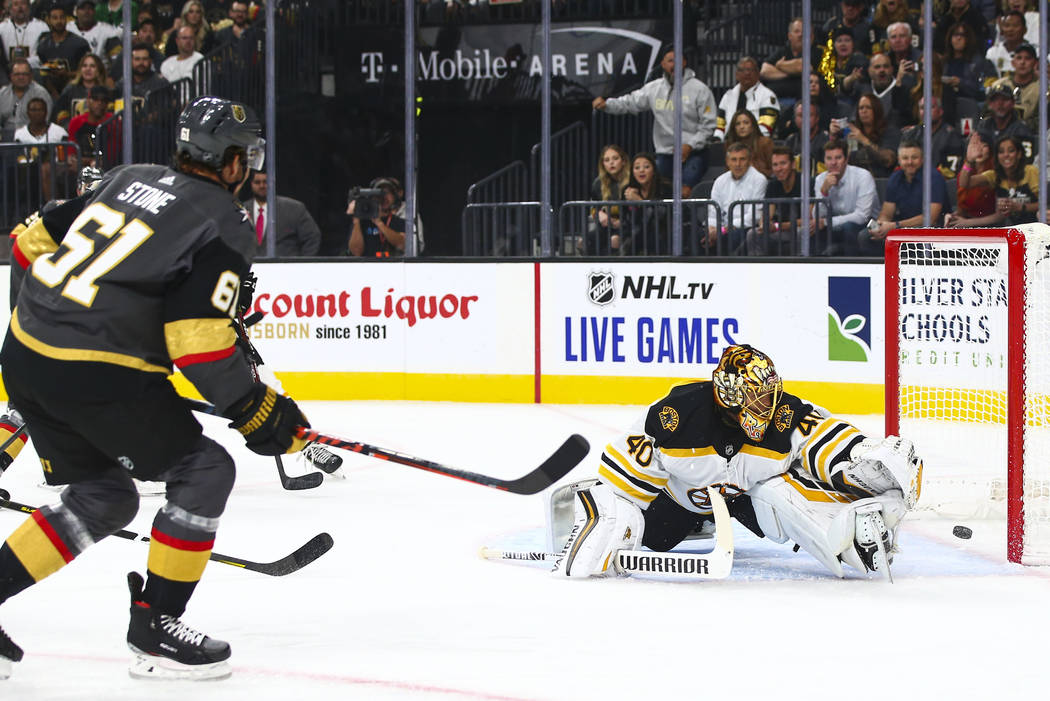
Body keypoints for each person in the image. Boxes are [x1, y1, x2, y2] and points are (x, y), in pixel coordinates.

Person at [0, 95, 310, 682]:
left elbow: (28, 242)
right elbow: (196, 342)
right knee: (205, 471)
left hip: (24, 354)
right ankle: (158, 625)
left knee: (105, 497)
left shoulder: (129, 176)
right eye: (245, 156)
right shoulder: (224, 221)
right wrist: (257, 410)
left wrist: (48, 319)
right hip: (96, 372)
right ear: (232, 162)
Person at [551, 344, 921, 583]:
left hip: (743, 497)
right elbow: (626, 472)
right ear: (729, 395)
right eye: (757, 399)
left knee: (779, 490)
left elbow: (822, 437)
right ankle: (694, 522)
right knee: (657, 539)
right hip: (683, 499)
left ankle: (847, 535)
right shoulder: (677, 417)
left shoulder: (785, 414)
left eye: (770, 396)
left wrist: (857, 455)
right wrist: (610, 514)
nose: (769, 407)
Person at [592, 47, 716, 198]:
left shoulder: (700, 89)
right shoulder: (653, 88)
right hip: (665, 152)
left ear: (684, 63)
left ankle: (685, 221)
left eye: (678, 60)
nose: (674, 64)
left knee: (684, 191)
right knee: (654, 190)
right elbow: (630, 102)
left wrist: (691, 145)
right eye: (670, 60)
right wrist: (607, 105)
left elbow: (709, 125)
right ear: (663, 64)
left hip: (694, 152)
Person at [859, 141, 949, 255]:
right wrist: (880, 226)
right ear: (899, 160)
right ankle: (882, 270)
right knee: (865, 236)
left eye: (914, 158)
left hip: (929, 230)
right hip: (901, 228)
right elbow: (886, 213)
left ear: (922, 159)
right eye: (905, 158)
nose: (910, 162)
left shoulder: (934, 178)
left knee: (921, 243)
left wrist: (894, 226)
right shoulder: (895, 178)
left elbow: (931, 219)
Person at [949, 133, 1038, 226]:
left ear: (1019, 154)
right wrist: (969, 161)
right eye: (1001, 152)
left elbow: (1044, 204)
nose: (1006, 155)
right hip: (1008, 229)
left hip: (1034, 228)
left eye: (1011, 151)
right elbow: (964, 183)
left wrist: (1020, 207)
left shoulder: (1030, 171)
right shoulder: (994, 175)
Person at [813, 139, 879, 256]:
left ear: (846, 159)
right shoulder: (821, 179)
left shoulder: (863, 176)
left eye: (838, 158)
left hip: (872, 223)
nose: (833, 163)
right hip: (837, 223)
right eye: (829, 159)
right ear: (824, 161)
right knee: (810, 230)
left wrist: (827, 222)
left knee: (848, 228)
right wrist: (824, 192)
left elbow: (862, 216)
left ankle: (852, 268)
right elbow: (817, 217)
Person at [705, 142, 767, 255]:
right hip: (722, 228)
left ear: (749, 161)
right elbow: (713, 211)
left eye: (742, 159)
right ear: (727, 162)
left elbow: (755, 216)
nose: (738, 164)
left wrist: (725, 229)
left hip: (744, 227)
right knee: (698, 235)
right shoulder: (720, 181)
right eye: (734, 159)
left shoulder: (759, 180)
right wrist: (712, 229)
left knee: (729, 237)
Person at [746, 145, 808, 256]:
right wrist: (764, 224)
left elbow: (809, 219)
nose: (779, 168)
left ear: (793, 164)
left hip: (800, 230)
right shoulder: (773, 185)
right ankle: (757, 269)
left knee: (801, 232)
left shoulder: (806, 182)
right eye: (775, 165)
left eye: (783, 163)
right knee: (753, 234)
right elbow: (767, 214)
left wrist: (779, 226)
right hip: (782, 230)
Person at [247, 170, 322, 257]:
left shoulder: (294, 208)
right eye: (257, 182)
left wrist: (302, 265)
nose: (262, 186)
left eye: (266, 182)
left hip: (286, 268)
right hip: (250, 269)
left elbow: (313, 237)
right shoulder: (241, 211)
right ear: (251, 184)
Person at [13, 95, 72, 202]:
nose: (37, 113)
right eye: (33, 110)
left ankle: (53, 206)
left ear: (46, 112)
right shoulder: (20, 134)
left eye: (40, 110)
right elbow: (19, 158)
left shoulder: (58, 132)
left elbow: (65, 156)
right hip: (29, 173)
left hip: (54, 171)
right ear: (28, 113)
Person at [759, 17, 823, 110]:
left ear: (812, 37)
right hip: (774, 101)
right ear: (789, 36)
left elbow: (801, 67)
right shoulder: (782, 51)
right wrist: (791, 73)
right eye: (797, 31)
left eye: (804, 32)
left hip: (804, 104)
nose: (801, 35)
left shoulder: (817, 52)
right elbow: (764, 71)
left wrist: (780, 65)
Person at [713, 56, 780, 142]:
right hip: (729, 144)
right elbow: (720, 125)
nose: (747, 73)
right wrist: (717, 139)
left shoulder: (768, 96)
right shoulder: (728, 96)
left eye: (751, 70)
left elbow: (765, 129)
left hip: (756, 145)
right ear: (736, 75)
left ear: (758, 74)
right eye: (742, 70)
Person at [833, 93, 901, 177]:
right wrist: (833, 136)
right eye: (861, 108)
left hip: (880, 181)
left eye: (868, 107)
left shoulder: (890, 132)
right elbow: (836, 159)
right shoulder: (852, 132)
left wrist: (864, 140)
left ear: (876, 110)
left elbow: (888, 160)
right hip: (855, 181)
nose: (863, 111)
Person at [900, 95, 965, 178]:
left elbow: (950, 173)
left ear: (940, 111)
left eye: (931, 107)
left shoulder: (951, 136)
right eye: (922, 108)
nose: (926, 111)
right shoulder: (910, 135)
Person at [347, 176, 413, 257]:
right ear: (372, 197)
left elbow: (403, 245)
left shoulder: (399, 222)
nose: (383, 197)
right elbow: (356, 252)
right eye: (379, 193)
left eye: (387, 193)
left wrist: (379, 223)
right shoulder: (361, 223)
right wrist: (356, 219)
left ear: (394, 196)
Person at [619, 152, 671, 255]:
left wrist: (639, 201)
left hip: (662, 233)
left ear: (654, 170)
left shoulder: (665, 188)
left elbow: (661, 216)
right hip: (637, 233)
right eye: (637, 167)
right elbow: (626, 219)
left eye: (646, 167)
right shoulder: (628, 190)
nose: (641, 170)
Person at [35, 3, 91, 97]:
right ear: (48, 20)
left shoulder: (80, 43)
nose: (59, 21)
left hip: (76, 89)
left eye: (62, 17)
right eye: (55, 18)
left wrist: (67, 74)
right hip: (51, 92)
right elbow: (44, 74)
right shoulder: (43, 46)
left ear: (66, 19)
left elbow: (88, 71)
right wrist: (54, 94)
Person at [586, 144, 631, 255]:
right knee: (584, 242)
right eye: (607, 160)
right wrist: (598, 214)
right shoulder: (598, 183)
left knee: (614, 240)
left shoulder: (632, 181)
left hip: (628, 227)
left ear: (623, 161)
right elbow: (593, 207)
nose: (611, 163)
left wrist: (621, 223)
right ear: (603, 164)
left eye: (615, 159)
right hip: (606, 227)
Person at [976, 82, 1036, 162]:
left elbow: (1026, 163)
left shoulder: (1022, 131)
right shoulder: (983, 126)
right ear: (990, 104)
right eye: (995, 100)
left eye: (1005, 99)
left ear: (1013, 103)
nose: (1000, 104)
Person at [947, 131, 997, 222]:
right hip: (965, 221)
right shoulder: (965, 172)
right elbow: (961, 208)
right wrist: (951, 216)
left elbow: (965, 183)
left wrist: (967, 223)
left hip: (988, 225)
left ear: (991, 149)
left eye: (984, 145)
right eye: (975, 145)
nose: (979, 149)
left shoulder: (995, 173)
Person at [942, 21, 997, 102]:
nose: (958, 38)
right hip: (947, 103)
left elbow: (982, 91)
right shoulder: (944, 62)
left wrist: (961, 83)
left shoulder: (980, 63)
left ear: (968, 39)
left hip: (972, 103)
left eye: (962, 35)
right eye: (955, 35)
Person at [990, 42, 1039, 132]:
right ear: (1013, 62)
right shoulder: (999, 85)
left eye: (1027, 58)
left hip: (1028, 134)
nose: (1022, 62)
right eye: (1019, 58)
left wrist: (1019, 127)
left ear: (1035, 63)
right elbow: (986, 114)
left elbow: (1041, 120)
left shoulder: (1041, 89)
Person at [53, 52, 110, 126]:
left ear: (99, 70)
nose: (88, 69)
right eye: (84, 66)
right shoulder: (70, 90)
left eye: (92, 66)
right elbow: (59, 112)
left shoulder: (106, 91)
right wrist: (70, 126)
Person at [859, 52, 912, 127]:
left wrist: (899, 80)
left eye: (886, 66)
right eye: (877, 67)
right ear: (869, 71)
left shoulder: (903, 89)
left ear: (892, 69)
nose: (882, 70)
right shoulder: (864, 88)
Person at [0, 57, 53, 132]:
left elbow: (44, 123)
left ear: (31, 76)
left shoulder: (41, 94)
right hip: (6, 137)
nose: (21, 77)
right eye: (17, 74)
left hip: (31, 136)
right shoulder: (2, 94)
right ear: (11, 76)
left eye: (24, 74)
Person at [0, 0, 48, 71]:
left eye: (23, 3)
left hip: (35, 69)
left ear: (29, 7)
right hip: (8, 70)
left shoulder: (41, 27)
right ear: (10, 9)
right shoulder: (2, 28)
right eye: (16, 4)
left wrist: (27, 61)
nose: (20, 7)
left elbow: (46, 54)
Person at [725, 109, 773, 176]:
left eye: (746, 123)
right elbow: (728, 171)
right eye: (738, 124)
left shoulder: (765, 143)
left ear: (753, 125)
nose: (742, 127)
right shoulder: (729, 144)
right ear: (734, 128)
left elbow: (773, 169)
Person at [986, 10, 1028, 78]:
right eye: (1007, 25)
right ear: (1002, 30)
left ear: (1025, 30)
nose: (1010, 29)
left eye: (1015, 25)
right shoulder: (993, 52)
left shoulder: (1035, 52)